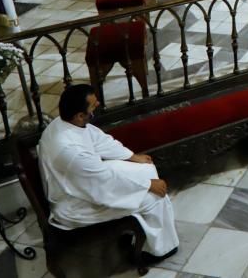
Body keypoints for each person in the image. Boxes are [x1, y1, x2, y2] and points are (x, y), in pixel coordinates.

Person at [38, 84, 179, 264]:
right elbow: (104, 182)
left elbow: (99, 140)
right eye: (93, 106)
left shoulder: (65, 122)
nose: (97, 105)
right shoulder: (70, 151)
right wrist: (148, 185)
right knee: (153, 197)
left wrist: (132, 157)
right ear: (80, 115)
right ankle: (162, 249)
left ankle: (148, 230)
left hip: (86, 182)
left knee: (146, 168)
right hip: (75, 203)